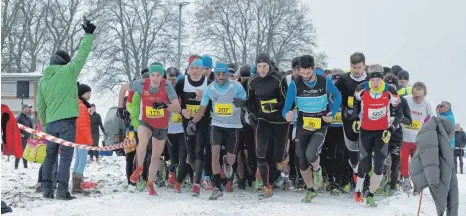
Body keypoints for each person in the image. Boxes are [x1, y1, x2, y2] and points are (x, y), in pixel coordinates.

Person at [37, 18, 96, 200]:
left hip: (51, 124)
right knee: (66, 156)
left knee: (50, 156)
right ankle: (62, 190)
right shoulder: (68, 71)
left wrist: (46, 125)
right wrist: (88, 35)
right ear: (65, 62)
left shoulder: (43, 80)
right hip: (67, 123)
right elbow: (82, 56)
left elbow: (41, 106)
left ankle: (47, 189)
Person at [282, 55, 341, 202]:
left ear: (313, 69)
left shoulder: (324, 82)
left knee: (310, 153)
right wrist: (286, 115)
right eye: (303, 73)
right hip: (303, 125)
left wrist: (332, 113)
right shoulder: (295, 85)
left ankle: (317, 170)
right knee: (301, 158)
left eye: (309, 73)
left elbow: (338, 95)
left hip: (320, 124)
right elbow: (286, 108)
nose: (306, 76)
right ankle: (310, 190)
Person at [118, 64, 181, 195]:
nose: (155, 78)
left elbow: (177, 108)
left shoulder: (167, 86)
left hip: (161, 125)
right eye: (153, 75)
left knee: (156, 156)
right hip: (145, 121)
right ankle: (139, 167)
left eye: (158, 75)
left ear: (162, 76)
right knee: (143, 142)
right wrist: (120, 107)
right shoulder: (141, 84)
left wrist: (165, 105)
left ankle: (150, 183)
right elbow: (124, 87)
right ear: (150, 76)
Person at [189, 62, 246, 200]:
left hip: (234, 127)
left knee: (231, 160)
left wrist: (242, 103)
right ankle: (217, 188)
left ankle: (227, 163)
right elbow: (202, 110)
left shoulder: (236, 87)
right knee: (214, 153)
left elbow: (246, 101)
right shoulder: (210, 89)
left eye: (223, 74)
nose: (221, 77)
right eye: (218, 74)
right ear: (215, 75)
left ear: (227, 74)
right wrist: (192, 122)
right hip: (217, 125)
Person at [349, 64, 402, 206]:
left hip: (382, 132)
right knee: (366, 165)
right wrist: (355, 118)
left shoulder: (390, 90)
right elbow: (355, 104)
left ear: (382, 79)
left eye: (378, 80)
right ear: (369, 79)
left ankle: (371, 194)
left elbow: (399, 113)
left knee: (379, 165)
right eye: (373, 80)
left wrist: (391, 129)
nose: (375, 83)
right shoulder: (361, 88)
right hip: (365, 131)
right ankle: (358, 189)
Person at [246, 53, 289, 199]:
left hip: (280, 122)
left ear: (269, 66)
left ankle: (283, 164)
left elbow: (288, 101)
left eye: (265, 66)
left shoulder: (279, 78)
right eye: (259, 66)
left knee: (278, 157)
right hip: (263, 120)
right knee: (260, 153)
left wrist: (275, 105)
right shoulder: (252, 81)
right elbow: (250, 102)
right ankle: (266, 186)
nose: (262, 70)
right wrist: (251, 114)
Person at [175, 58, 212, 196]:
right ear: (189, 69)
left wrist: (206, 96)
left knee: (199, 149)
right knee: (190, 155)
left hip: (203, 120)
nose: (195, 71)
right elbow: (172, 100)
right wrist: (181, 111)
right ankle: (199, 174)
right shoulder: (182, 82)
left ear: (203, 70)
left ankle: (196, 184)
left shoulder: (208, 83)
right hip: (187, 119)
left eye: (198, 68)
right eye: (192, 68)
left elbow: (217, 100)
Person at [409, 116, 458, 216]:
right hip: (433, 173)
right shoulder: (431, 134)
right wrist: (433, 179)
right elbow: (430, 159)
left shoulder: (431, 131)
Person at [335, 52, 369, 183]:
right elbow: (334, 95)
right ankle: (355, 169)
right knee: (352, 149)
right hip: (349, 118)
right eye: (354, 67)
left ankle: (365, 181)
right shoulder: (343, 79)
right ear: (350, 66)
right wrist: (342, 107)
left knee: (366, 148)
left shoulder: (370, 80)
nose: (356, 71)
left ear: (364, 66)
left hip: (366, 118)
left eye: (359, 67)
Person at [400, 81, 436, 194]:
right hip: (404, 138)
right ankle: (406, 181)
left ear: (425, 95)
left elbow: (434, 119)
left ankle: (417, 184)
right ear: (412, 93)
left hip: (418, 140)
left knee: (417, 165)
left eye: (420, 97)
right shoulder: (406, 99)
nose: (417, 100)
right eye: (415, 97)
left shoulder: (428, 105)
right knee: (403, 162)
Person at [322, 68, 352, 195]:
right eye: (334, 79)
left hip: (342, 128)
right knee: (327, 154)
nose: (336, 82)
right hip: (329, 127)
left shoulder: (346, 93)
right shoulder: (326, 92)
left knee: (341, 154)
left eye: (339, 79)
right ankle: (330, 179)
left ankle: (341, 180)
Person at [383, 75, 412, 196]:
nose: (390, 88)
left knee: (395, 162)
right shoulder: (379, 98)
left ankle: (393, 185)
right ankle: (380, 184)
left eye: (393, 86)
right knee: (381, 161)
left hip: (396, 135)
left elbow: (409, 120)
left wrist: (398, 119)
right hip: (381, 134)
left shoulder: (402, 100)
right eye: (388, 86)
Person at [164, 67, 188, 189]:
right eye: (168, 79)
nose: (171, 82)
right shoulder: (163, 91)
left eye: (173, 80)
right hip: (169, 129)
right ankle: (172, 172)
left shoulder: (182, 91)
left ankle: (179, 181)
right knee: (173, 157)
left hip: (182, 129)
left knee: (183, 155)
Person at [72, 84, 93, 194]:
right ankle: (77, 186)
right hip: (82, 140)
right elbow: (83, 126)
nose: (90, 95)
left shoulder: (79, 105)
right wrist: (89, 141)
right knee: (82, 162)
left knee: (77, 162)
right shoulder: (82, 107)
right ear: (82, 94)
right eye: (88, 93)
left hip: (77, 139)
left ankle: (75, 184)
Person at [15, 104, 33, 169]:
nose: (26, 109)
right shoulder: (19, 117)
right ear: (22, 109)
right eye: (25, 108)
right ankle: (16, 166)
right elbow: (14, 127)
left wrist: (31, 135)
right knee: (20, 151)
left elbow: (31, 127)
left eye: (27, 108)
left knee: (25, 152)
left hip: (27, 138)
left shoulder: (28, 117)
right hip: (20, 138)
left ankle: (25, 166)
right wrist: (19, 134)